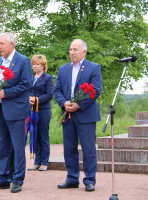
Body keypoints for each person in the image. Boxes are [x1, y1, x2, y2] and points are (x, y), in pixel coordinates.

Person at [54, 39, 102, 192]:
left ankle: (89, 180)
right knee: (69, 148)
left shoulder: (94, 67)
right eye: (70, 49)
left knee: (88, 149)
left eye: (75, 49)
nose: (72, 52)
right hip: (68, 115)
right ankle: (72, 178)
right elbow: (57, 90)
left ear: (84, 52)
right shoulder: (63, 69)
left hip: (86, 115)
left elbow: (96, 90)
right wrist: (64, 103)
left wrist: (79, 105)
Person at [0, 32, 32, 193]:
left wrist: (7, 93)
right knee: (2, 147)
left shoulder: (23, 60)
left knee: (18, 147)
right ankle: (3, 178)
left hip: (17, 111)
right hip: (0, 112)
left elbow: (27, 83)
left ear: (11, 44)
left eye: (2, 44)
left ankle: (18, 179)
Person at [27, 55, 54, 171]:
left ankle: (44, 161)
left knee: (43, 135)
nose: (35, 66)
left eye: (37, 64)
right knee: (34, 134)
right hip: (31, 110)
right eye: (33, 64)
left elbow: (50, 94)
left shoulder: (48, 78)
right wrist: (28, 99)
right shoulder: (30, 77)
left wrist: (36, 100)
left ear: (43, 65)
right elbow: (26, 91)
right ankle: (36, 161)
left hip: (43, 110)